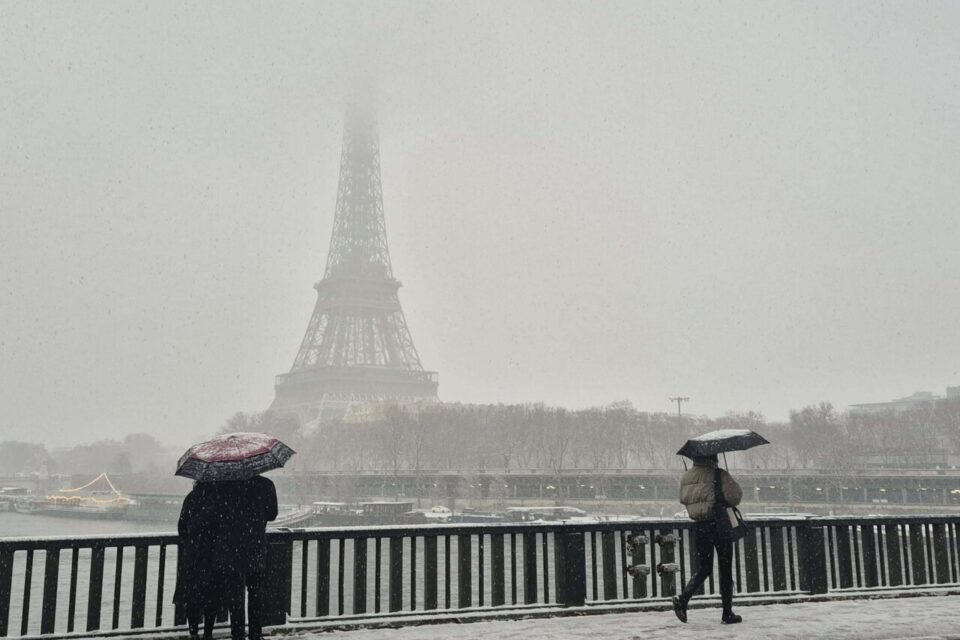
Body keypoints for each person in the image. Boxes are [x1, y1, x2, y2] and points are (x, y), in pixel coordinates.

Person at [673, 453, 743, 625]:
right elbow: (735, 497)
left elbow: (684, 499)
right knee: (725, 568)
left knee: (704, 567)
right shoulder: (719, 474)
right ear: (713, 458)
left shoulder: (687, 476)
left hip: (700, 526)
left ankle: (683, 599)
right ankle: (727, 612)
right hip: (720, 524)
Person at [218, 475, 279, 640]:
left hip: (232, 548)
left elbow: (219, 514)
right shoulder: (266, 484)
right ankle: (255, 633)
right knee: (256, 593)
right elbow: (272, 514)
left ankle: (237, 634)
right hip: (256, 546)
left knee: (235, 596)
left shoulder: (226, 485)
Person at [174, 482, 226, 639]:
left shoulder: (192, 498)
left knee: (192, 595)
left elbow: (181, 527)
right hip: (214, 554)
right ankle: (208, 632)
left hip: (193, 555)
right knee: (212, 595)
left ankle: (193, 631)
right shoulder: (220, 500)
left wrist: (191, 541)